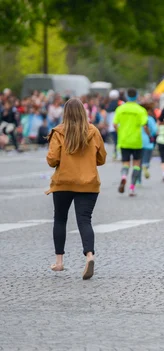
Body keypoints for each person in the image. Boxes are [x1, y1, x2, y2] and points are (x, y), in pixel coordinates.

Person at [45, 98, 107, 280]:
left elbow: (52, 160)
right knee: (84, 220)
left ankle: (59, 262)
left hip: (64, 182)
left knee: (60, 219)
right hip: (88, 183)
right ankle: (90, 255)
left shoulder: (58, 132)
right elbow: (102, 158)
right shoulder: (93, 131)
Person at [113, 88, 148, 197]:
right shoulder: (140, 110)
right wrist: (150, 135)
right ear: (137, 96)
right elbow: (145, 125)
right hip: (136, 141)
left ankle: (124, 177)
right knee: (137, 164)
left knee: (126, 163)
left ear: (127, 96)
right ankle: (132, 188)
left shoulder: (120, 109)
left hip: (124, 140)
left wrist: (120, 132)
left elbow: (115, 124)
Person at [140, 103, 158, 182]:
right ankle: (145, 166)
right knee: (146, 159)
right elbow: (154, 130)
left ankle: (138, 180)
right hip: (148, 141)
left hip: (138, 141)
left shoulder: (138, 118)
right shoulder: (150, 119)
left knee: (138, 162)